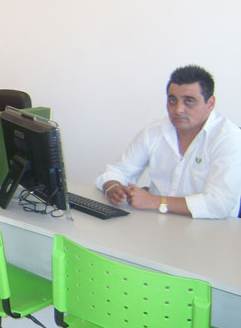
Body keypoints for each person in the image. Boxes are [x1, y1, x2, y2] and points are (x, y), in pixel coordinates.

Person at [95, 65, 241, 219]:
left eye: (189, 101)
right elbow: (116, 171)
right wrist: (113, 187)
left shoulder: (228, 138)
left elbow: (218, 204)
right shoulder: (154, 131)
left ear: (210, 104)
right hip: (157, 221)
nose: (178, 109)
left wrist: (153, 201)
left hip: (211, 228)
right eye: (172, 100)